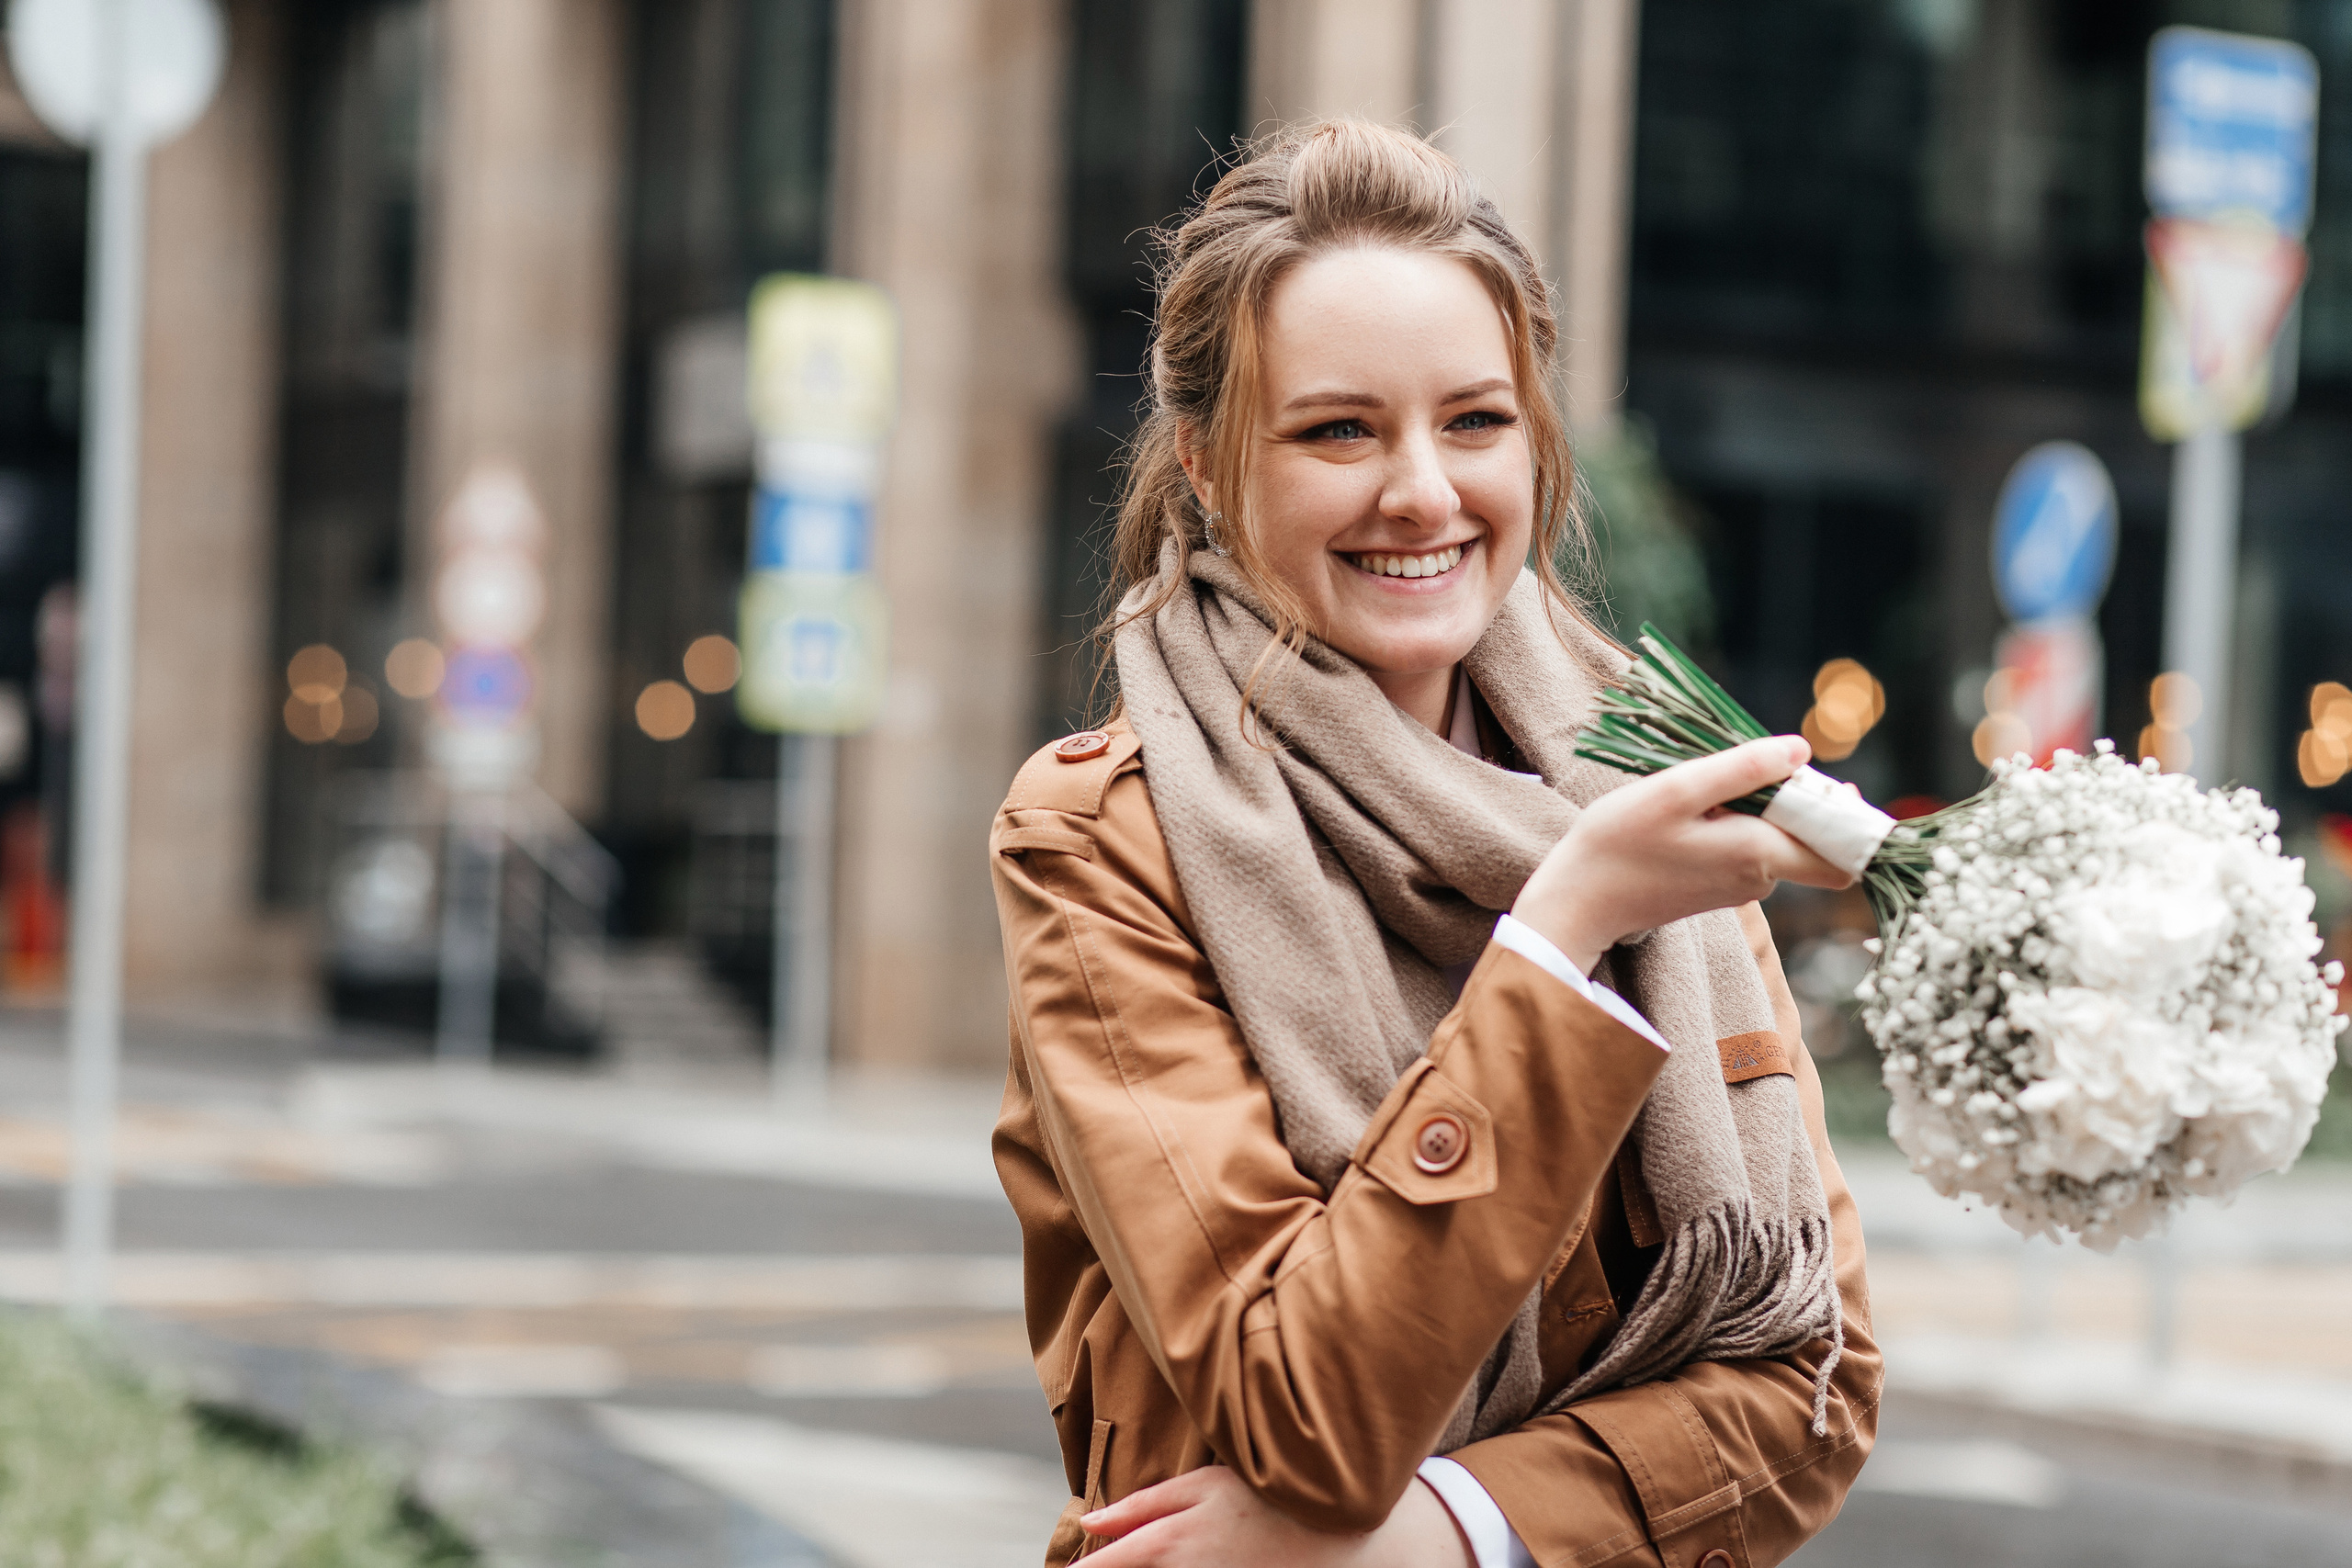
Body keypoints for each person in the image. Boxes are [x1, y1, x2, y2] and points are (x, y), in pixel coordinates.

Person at [989, 118, 1880, 1568]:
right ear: (1211, 467)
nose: (1423, 491)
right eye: (1340, 429)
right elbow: (1304, 1416)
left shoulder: (1648, 777)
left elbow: (1814, 1385)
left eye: (1475, 421)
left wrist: (1445, 1531)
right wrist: (1562, 932)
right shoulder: (1105, 840)